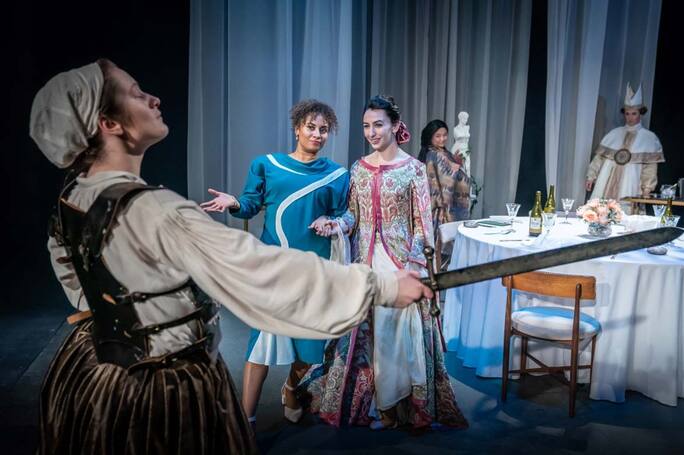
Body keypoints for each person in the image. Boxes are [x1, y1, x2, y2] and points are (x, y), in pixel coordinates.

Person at [30, 60, 432, 454]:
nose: (153, 98)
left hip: (91, 376)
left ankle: (294, 391)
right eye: (136, 93)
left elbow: (76, 282)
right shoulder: (155, 211)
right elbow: (257, 269)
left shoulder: (73, 198)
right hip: (156, 389)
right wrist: (379, 285)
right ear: (109, 124)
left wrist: (125, 319)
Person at [300, 95, 467, 431]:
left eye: (378, 124)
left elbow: (424, 225)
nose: (372, 132)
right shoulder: (359, 169)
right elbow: (353, 216)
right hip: (365, 265)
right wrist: (335, 224)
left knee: (400, 339)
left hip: (400, 266)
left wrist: (415, 268)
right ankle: (380, 406)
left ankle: (408, 407)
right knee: (369, 339)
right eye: (366, 126)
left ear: (395, 126)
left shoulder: (414, 170)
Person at [200, 100, 349, 427]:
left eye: (323, 130)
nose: (317, 134)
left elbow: (342, 216)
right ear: (297, 128)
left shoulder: (338, 175)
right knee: (261, 347)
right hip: (276, 270)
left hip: (314, 271)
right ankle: (245, 422)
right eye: (311, 127)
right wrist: (235, 202)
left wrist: (333, 222)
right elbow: (250, 204)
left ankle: (292, 388)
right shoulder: (266, 165)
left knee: (311, 350)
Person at [585, 83, 664, 211]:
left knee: (626, 211)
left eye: (634, 114)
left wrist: (647, 188)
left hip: (631, 181)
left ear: (640, 114)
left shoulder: (649, 138)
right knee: (601, 211)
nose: (630, 117)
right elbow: (599, 158)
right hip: (606, 179)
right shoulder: (614, 133)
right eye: (627, 114)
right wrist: (591, 176)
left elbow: (650, 167)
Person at [418, 119, 471, 260]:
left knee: (445, 253)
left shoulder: (442, 152)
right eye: (438, 136)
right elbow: (436, 183)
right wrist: (455, 169)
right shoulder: (434, 155)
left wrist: (457, 165)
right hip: (441, 210)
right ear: (430, 137)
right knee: (441, 251)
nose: (443, 139)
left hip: (449, 207)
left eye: (445, 135)